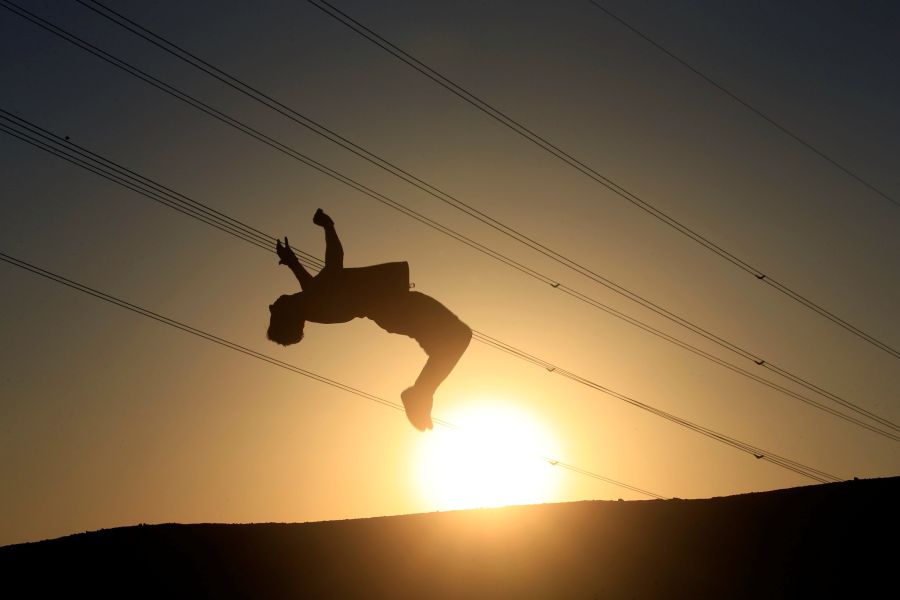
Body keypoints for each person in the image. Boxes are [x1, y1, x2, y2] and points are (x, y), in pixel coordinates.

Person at [268, 208, 471, 431]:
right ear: (288, 314)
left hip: (394, 309)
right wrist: (328, 226)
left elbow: (309, 286)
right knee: (458, 337)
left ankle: (421, 394)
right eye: (274, 311)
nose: (272, 305)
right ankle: (420, 394)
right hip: (396, 307)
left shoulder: (311, 304)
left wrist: (292, 262)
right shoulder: (316, 302)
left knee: (450, 344)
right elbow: (335, 262)